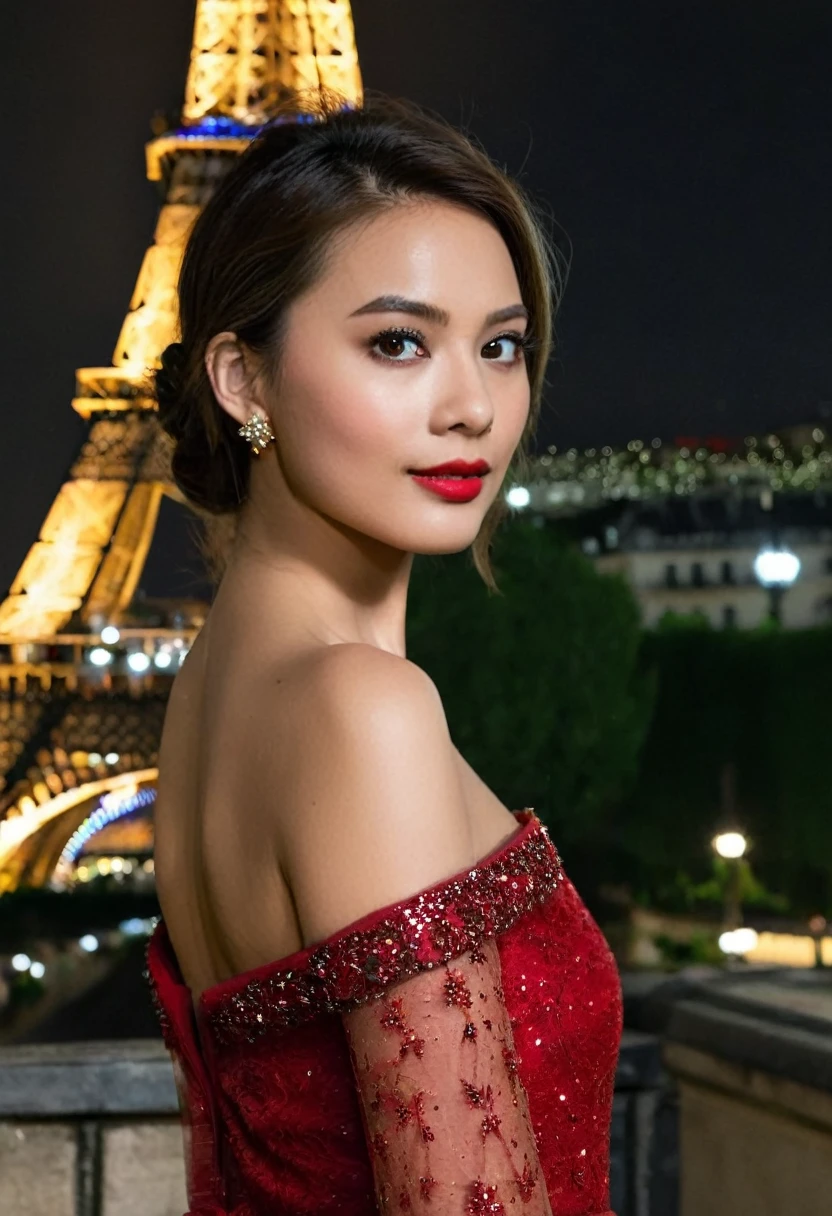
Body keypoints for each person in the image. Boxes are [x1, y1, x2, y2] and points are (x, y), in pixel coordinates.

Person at [146, 89, 622, 1216]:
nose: (473, 406)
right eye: (398, 342)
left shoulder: (212, 690)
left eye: (501, 346)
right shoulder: (363, 709)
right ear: (242, 377)